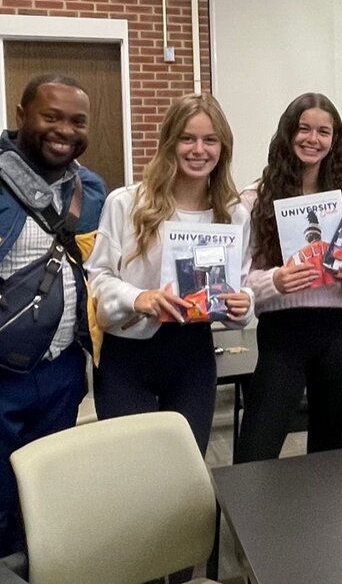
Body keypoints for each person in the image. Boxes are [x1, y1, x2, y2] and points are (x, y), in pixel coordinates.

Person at [88, 93, 253, 456]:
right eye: (187, 138)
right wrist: (137, 297)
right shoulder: (126, 203)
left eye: (210, 140)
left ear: (222, 147)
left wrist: (243, 304)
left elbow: (241, 283)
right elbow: (97, 278)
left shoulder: (233, 214)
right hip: (127, 356)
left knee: (186, 468)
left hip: (193, 355)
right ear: (169, 142)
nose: (199, 150)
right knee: (134, 472)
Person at [0, 74, 106, 556]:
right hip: (2, 377)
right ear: (21, 116)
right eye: (51, 116)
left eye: (77, 121)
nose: (64, 129)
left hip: (63, 371)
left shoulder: (90, 189)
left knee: (47, 497)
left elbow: (99, 266)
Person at [236, 93, 342, 462]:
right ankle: (248, 520)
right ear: (287, 133)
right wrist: (275, 281)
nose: (313, 139)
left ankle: (322, 520)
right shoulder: (254, 199)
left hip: (337, 333)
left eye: (323, 132)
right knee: (256, 449)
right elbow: (236, 281)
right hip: (282, 334)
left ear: (334, 140)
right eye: (304, 129)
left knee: (329, 448)